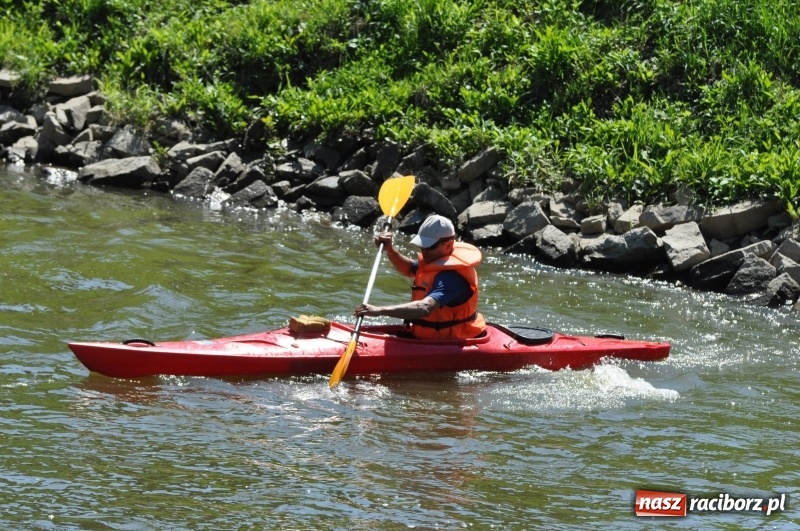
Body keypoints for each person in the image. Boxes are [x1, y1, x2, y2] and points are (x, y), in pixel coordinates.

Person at [354, 214, 486, 339]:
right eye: (422, 245)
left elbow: (425, 307)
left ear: (449, 245)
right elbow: (409, 269)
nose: (424, 251)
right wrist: (390, 250)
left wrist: (379, 310)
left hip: (452, 341)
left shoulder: (452, 277)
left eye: (430, 246)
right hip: (428, 337)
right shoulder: (434, 261)